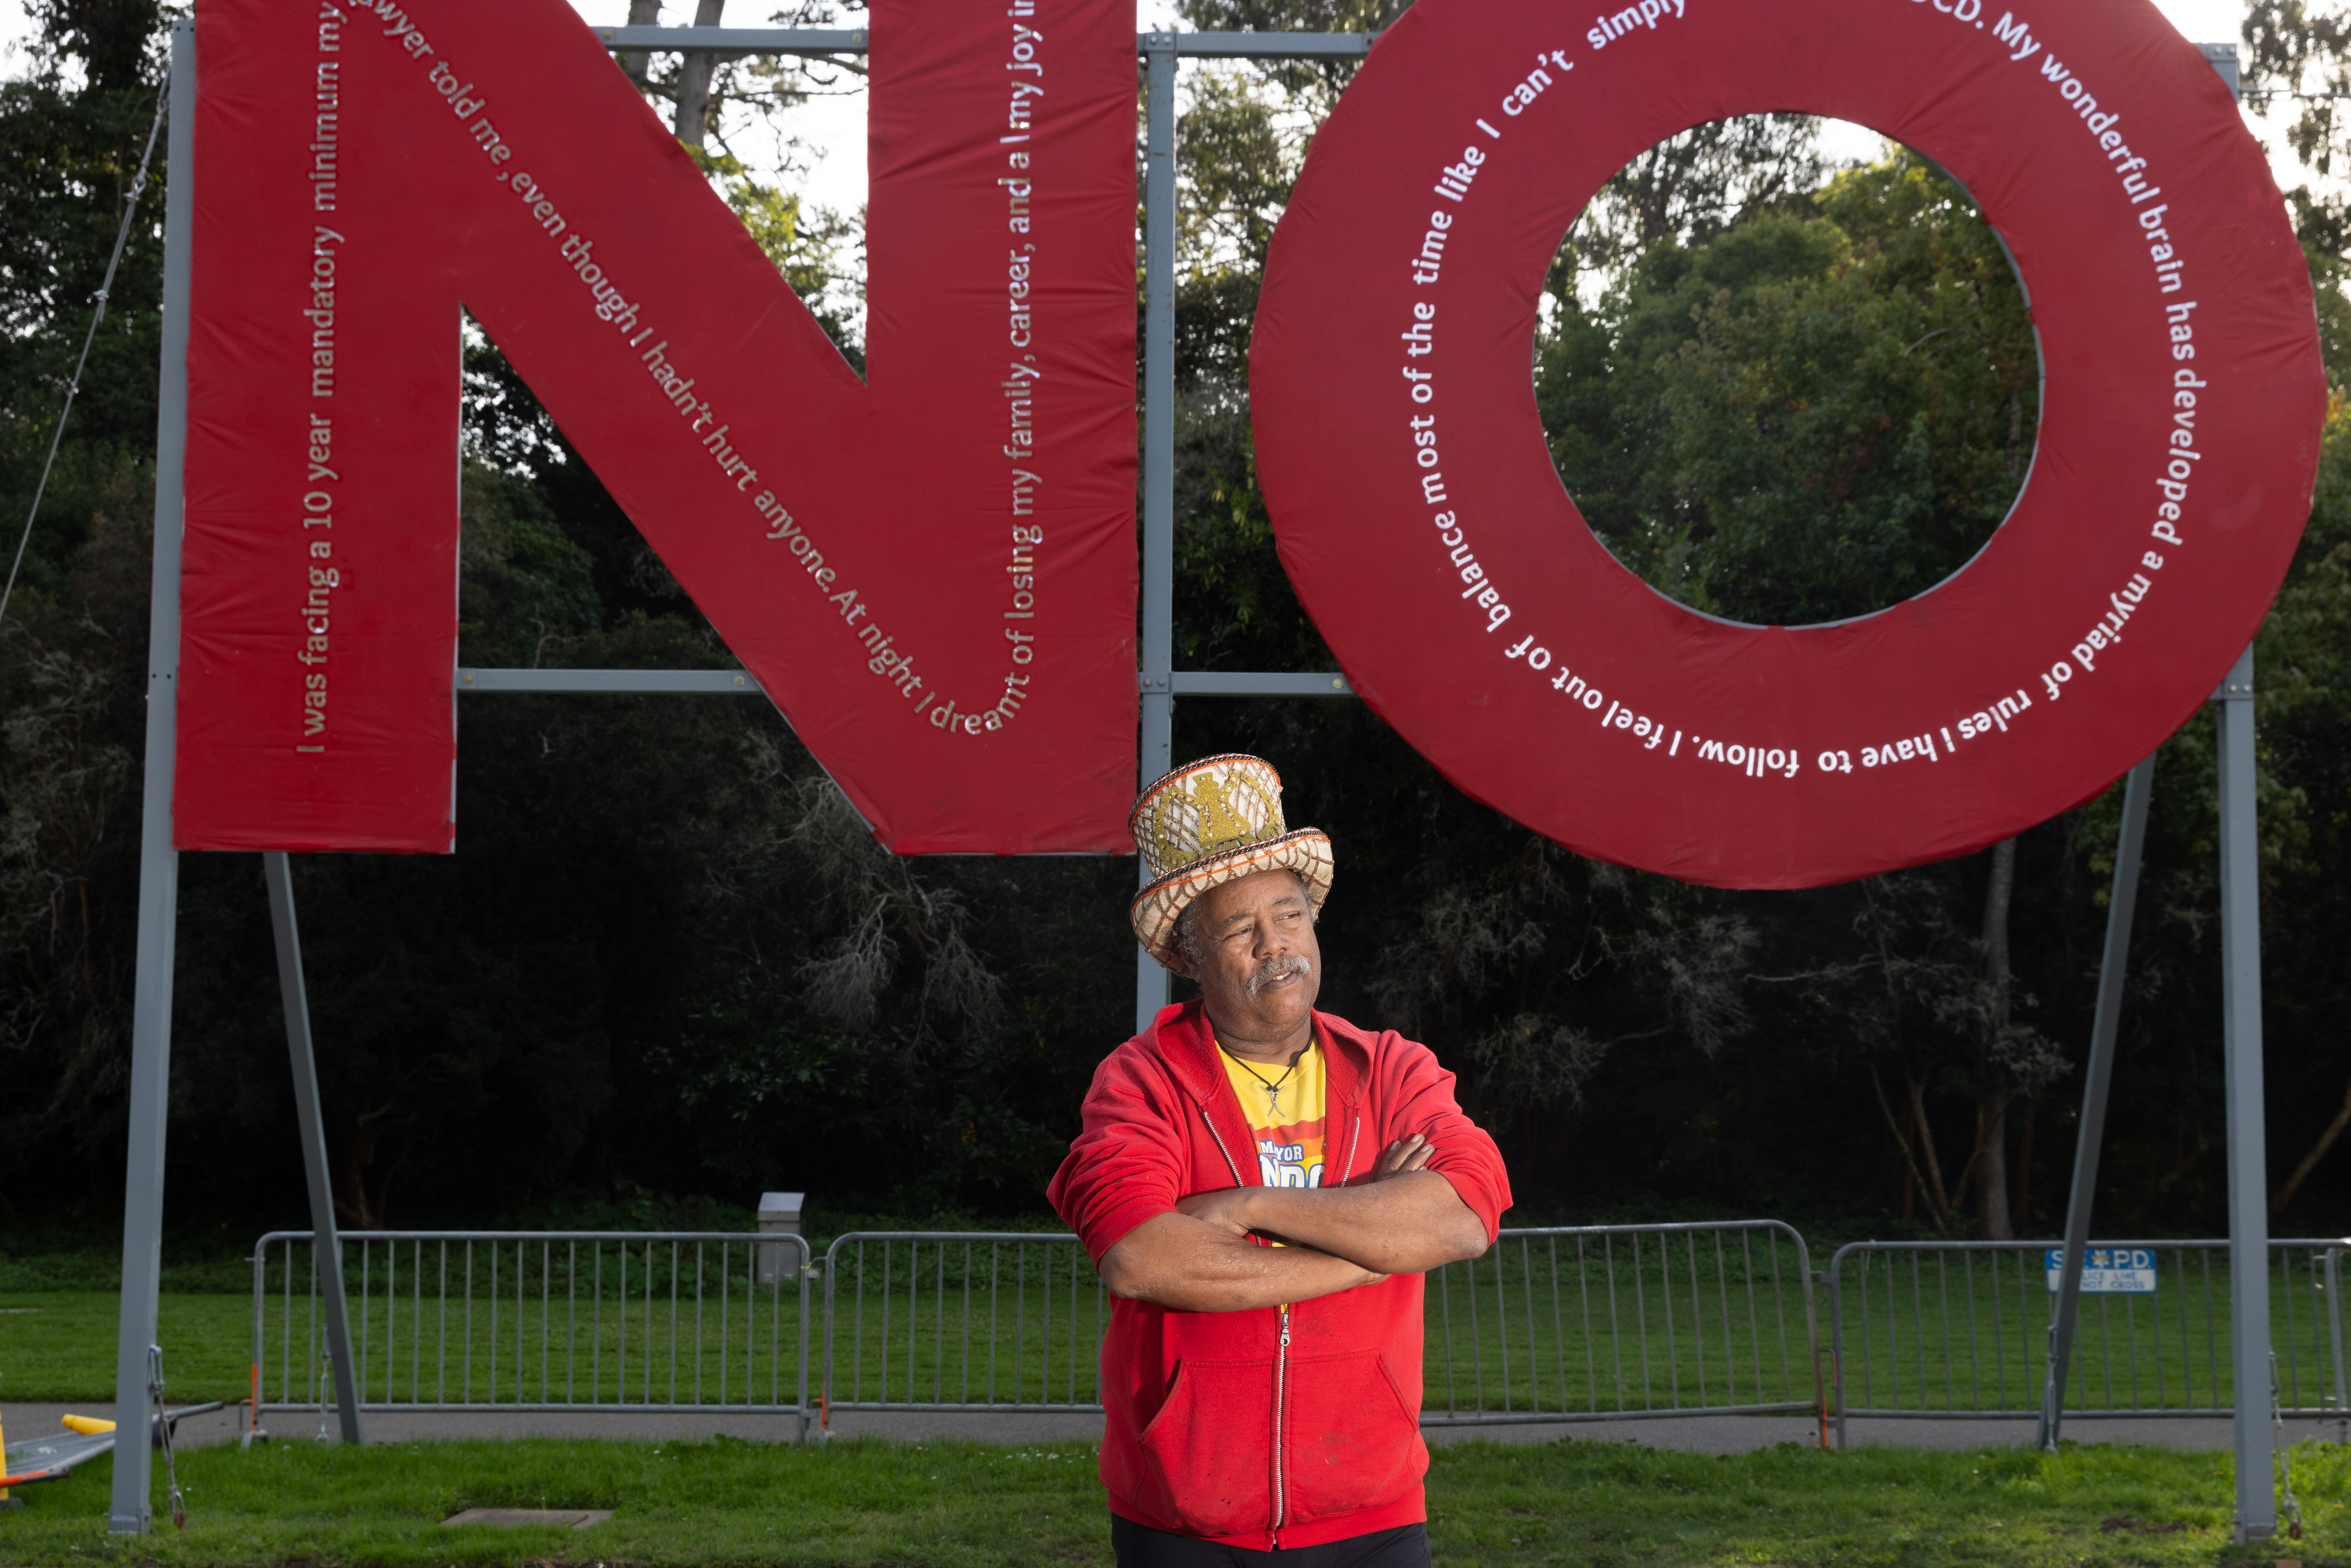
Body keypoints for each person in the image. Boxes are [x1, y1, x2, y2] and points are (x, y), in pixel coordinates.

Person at [1049, 754, 1512, 1566]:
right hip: (1183, 1524)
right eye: (1239, 930)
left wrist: (1251, 1207)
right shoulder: (1139, 1083)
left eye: (1290, 915)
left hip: (1373, 1512)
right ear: (1188, 957)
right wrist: (1371, 1254)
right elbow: (1141, 1257)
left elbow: (1463, 1216)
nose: (1276, 946)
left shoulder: (1393, 1069)